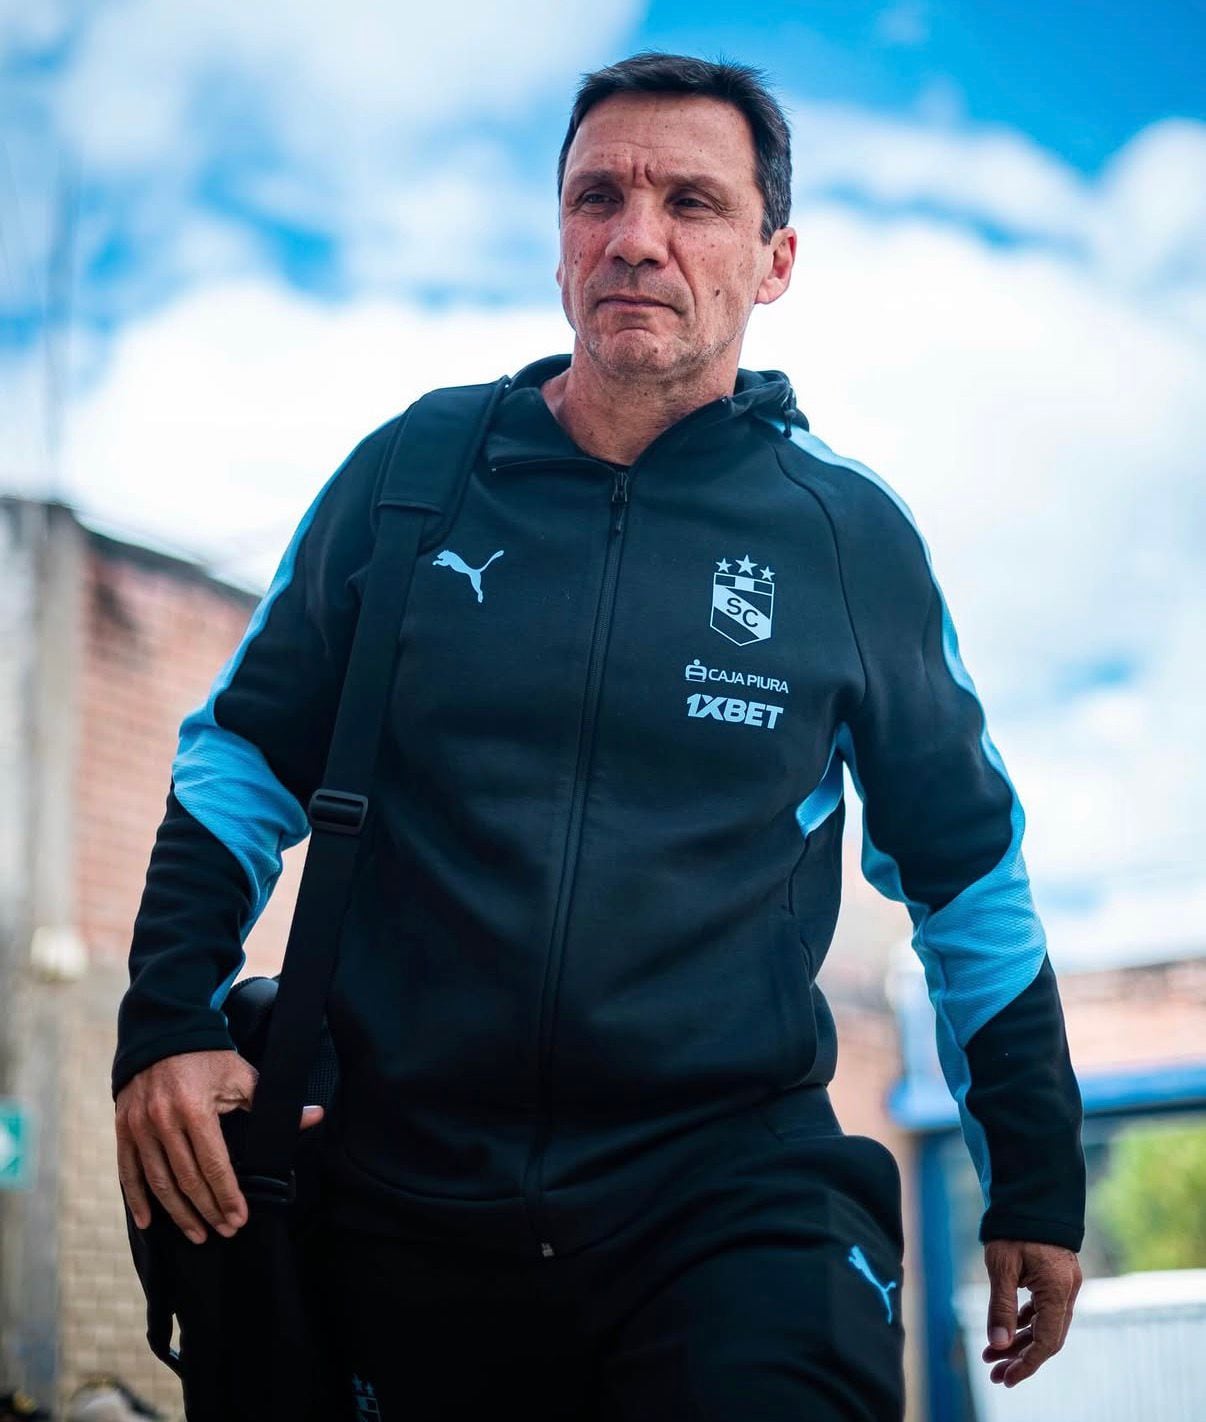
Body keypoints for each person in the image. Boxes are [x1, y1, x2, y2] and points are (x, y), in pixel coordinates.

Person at [112, 50, 1085, 1420]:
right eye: (597, 198)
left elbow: (967, 877)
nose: (635, 237)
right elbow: (242, 759)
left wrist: (1035, 1170)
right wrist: (162, 1019)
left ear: (775, 256)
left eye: (691, 200)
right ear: (558, 239)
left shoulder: (844, 539)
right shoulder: (413, 475)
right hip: (398, 1201)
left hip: (721, 1198)